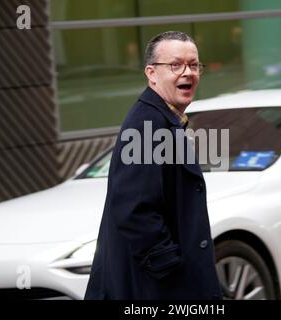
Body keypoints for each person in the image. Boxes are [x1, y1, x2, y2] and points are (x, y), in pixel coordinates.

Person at [84, 31, 222, 300]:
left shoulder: (164, 119)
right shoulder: (148, 125)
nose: (188, 73)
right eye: (175, 65)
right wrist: (170, 269)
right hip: (153, 290)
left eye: (194, 65)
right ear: (151, 73)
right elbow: (133, 208)